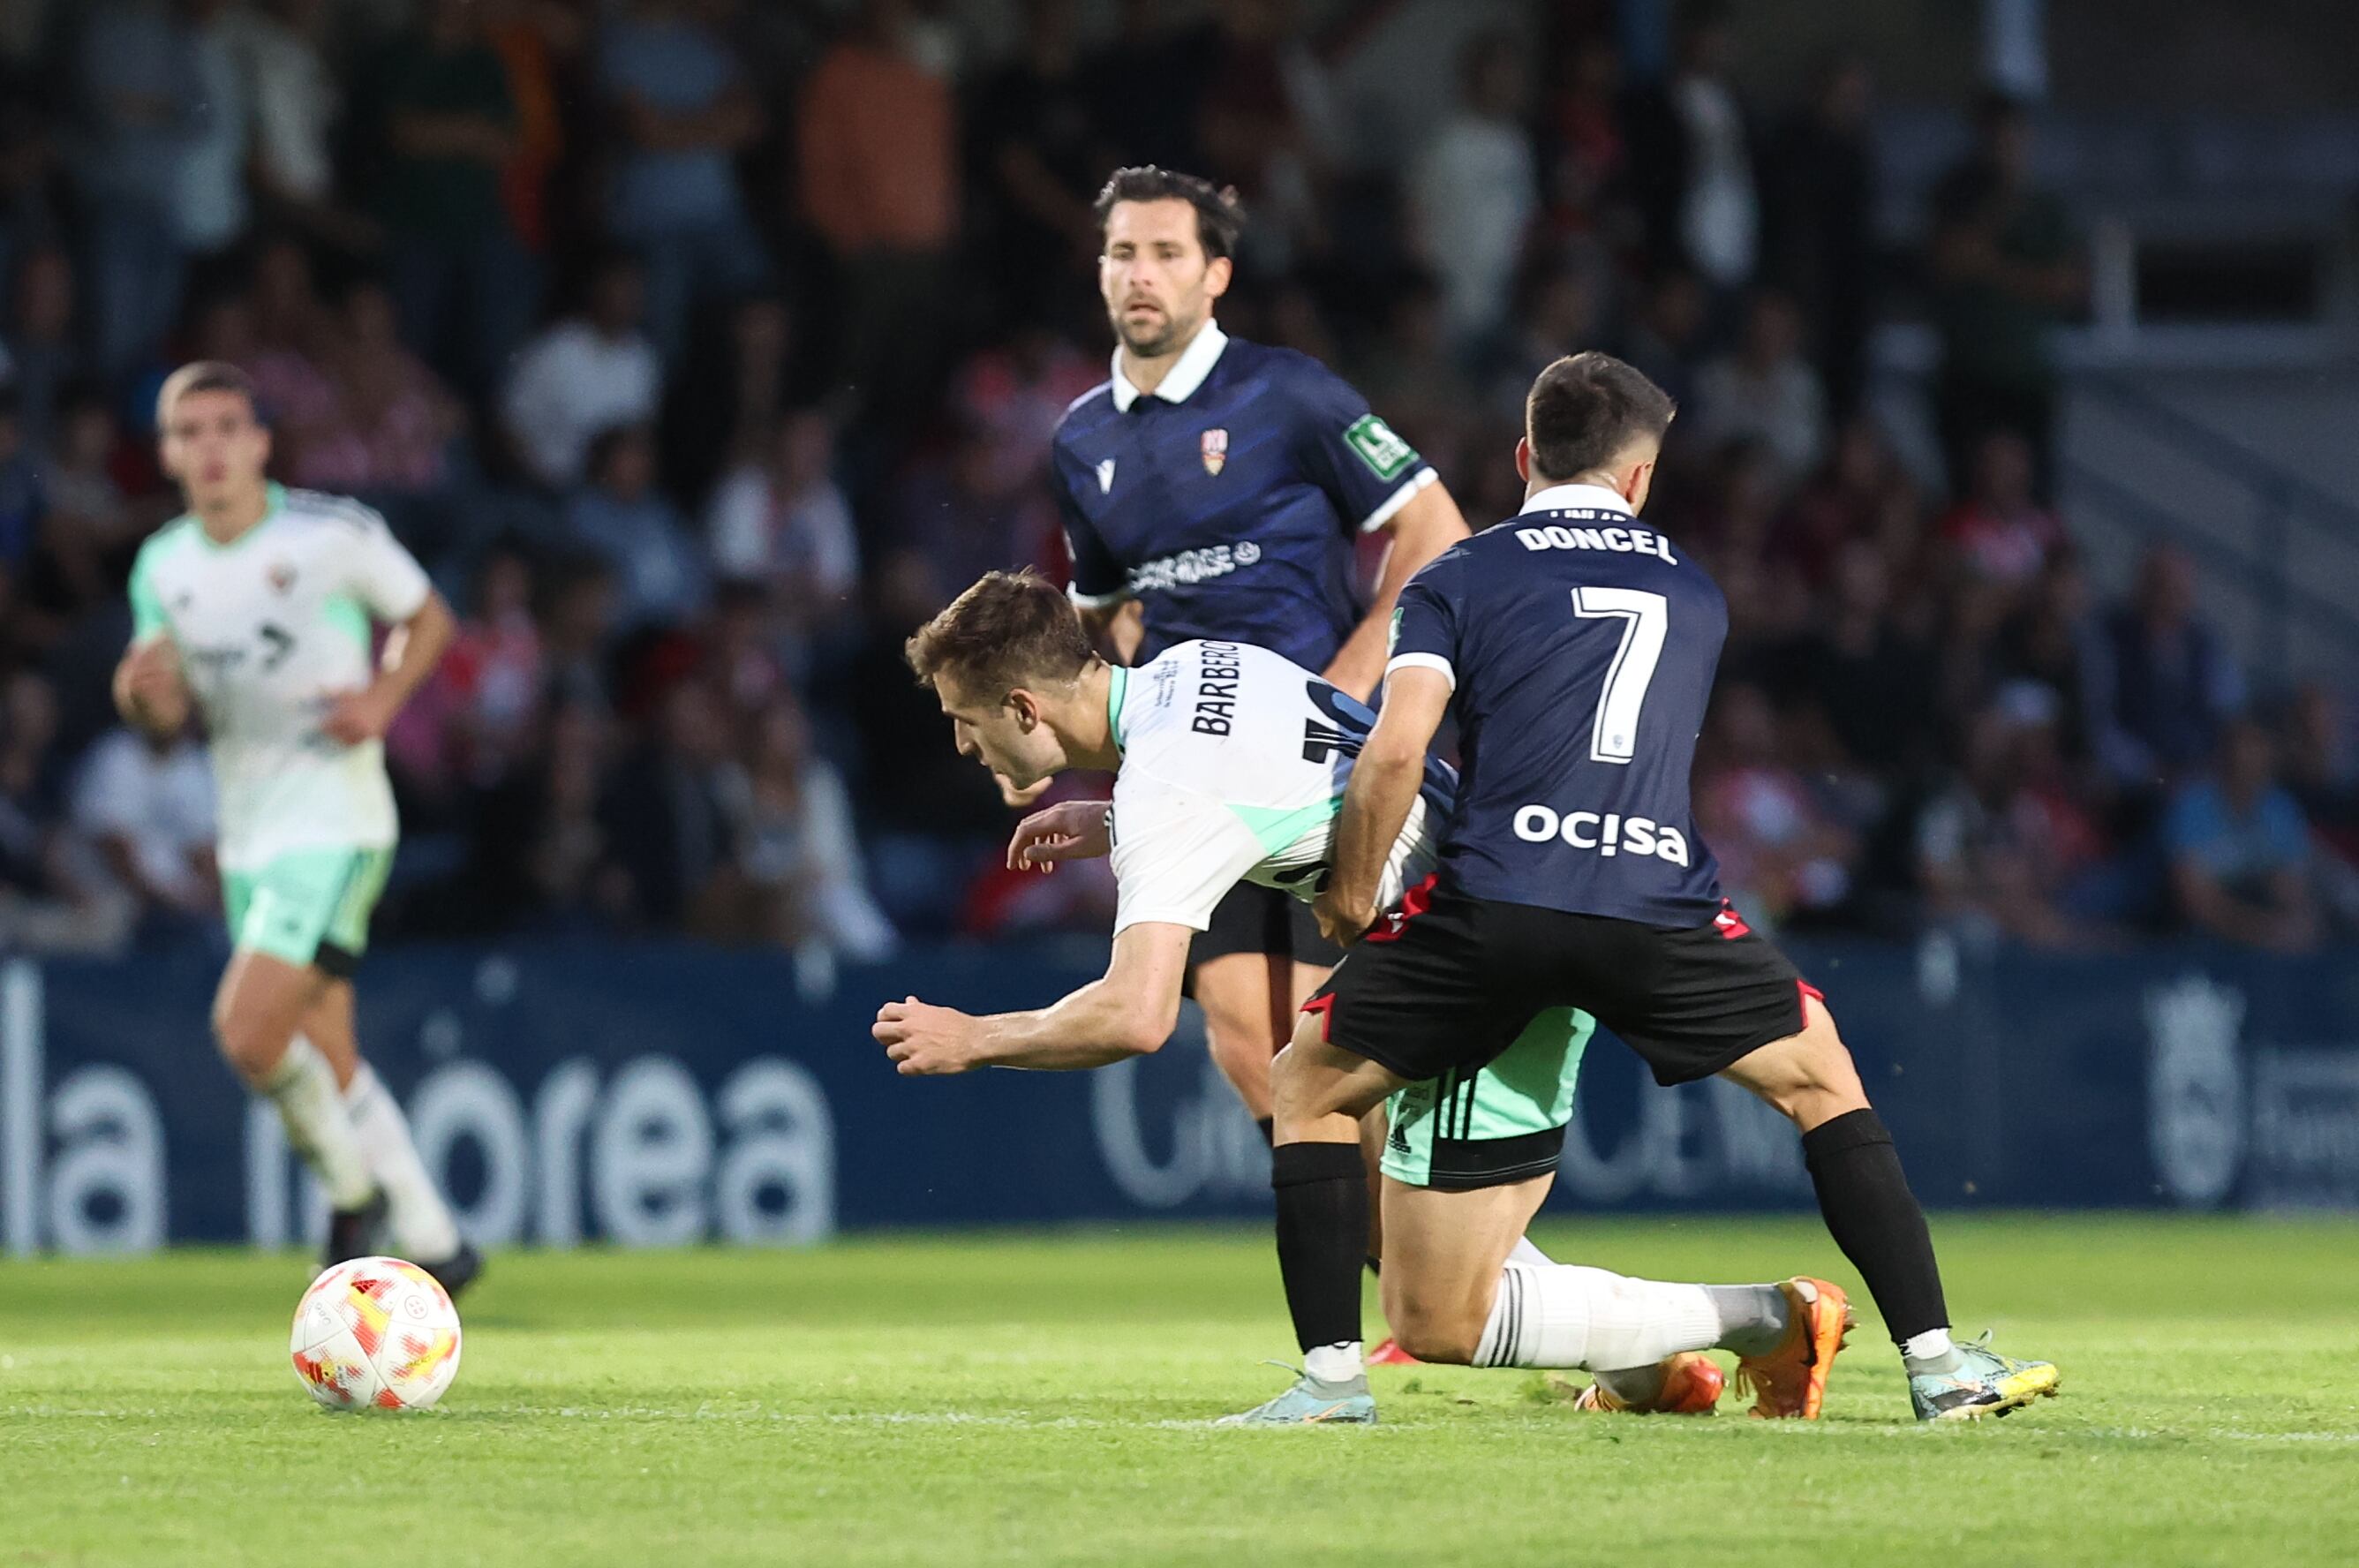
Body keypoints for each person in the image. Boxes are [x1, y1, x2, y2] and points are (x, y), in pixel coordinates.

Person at [1251, 351, 2058, 1425]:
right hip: (1657, 906)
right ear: (1637, 479)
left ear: (1524, 455)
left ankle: (1329, 1387)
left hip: (1497, 903)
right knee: (1822, 1087)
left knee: (1305, 1093)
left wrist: (1349, 895)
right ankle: (1937, 1366)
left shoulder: (1459, 577)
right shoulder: (1691, 586)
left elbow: (1395, 756)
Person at [875, 569, 1826, 1419]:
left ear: (1023, 706)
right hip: (1495, 900)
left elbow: (1137, 1012)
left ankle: (1761, 1319)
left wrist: (974, 1037)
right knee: (1354, 1137)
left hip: (1474, 950)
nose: (960, 743)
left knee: (1436, 1308)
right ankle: (1646, 1371)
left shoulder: (1164, 789)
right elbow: (1269, 772)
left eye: (965, 717)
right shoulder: (1192, 667)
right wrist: (1116, 817)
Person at [1049, 166, 1471, 1143]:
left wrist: (1352, 684)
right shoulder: (1079, 441)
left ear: (1215, 276)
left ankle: (1469, 1284)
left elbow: (1436, 532)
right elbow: (1107, 623)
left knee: (1348, 1055)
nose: (1140, 275)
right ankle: (1426, 1286)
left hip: (1322, 767)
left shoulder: (1285, 393)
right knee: (1251, 1047)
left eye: (1166, 254)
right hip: (1199, 766)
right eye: (1122, 254)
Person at [110, 360, 479, 1291]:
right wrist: (137, 698)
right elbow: (165, 714)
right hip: (248, 830)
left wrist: (384, 700)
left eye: (228, 427)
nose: (212, 448)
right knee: (321, 1044)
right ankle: (434, 1238)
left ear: (261, 442)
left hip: (336, 817)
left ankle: (351, 1195)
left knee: (244, 1029)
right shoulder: (164, 566)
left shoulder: (329, 534)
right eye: (190, 432)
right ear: (167, 453)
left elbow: (427, 615)